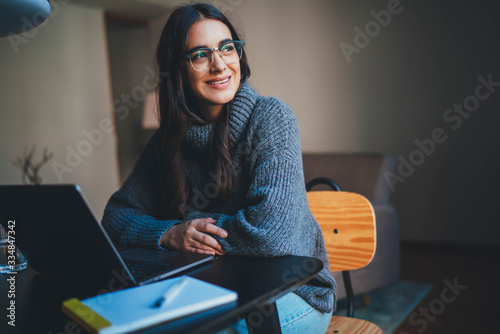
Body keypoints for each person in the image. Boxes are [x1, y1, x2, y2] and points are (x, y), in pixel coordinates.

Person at [102, 3, 335, 333]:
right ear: (177, 70)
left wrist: (191, 228)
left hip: (291, 294)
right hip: (211, 287)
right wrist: (168, 233)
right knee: (126, 318)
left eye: (227, 48)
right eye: (200, 54)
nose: (219, 64)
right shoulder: (165, 142)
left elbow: (270, 235)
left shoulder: (271, 119)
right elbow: (115, 216)